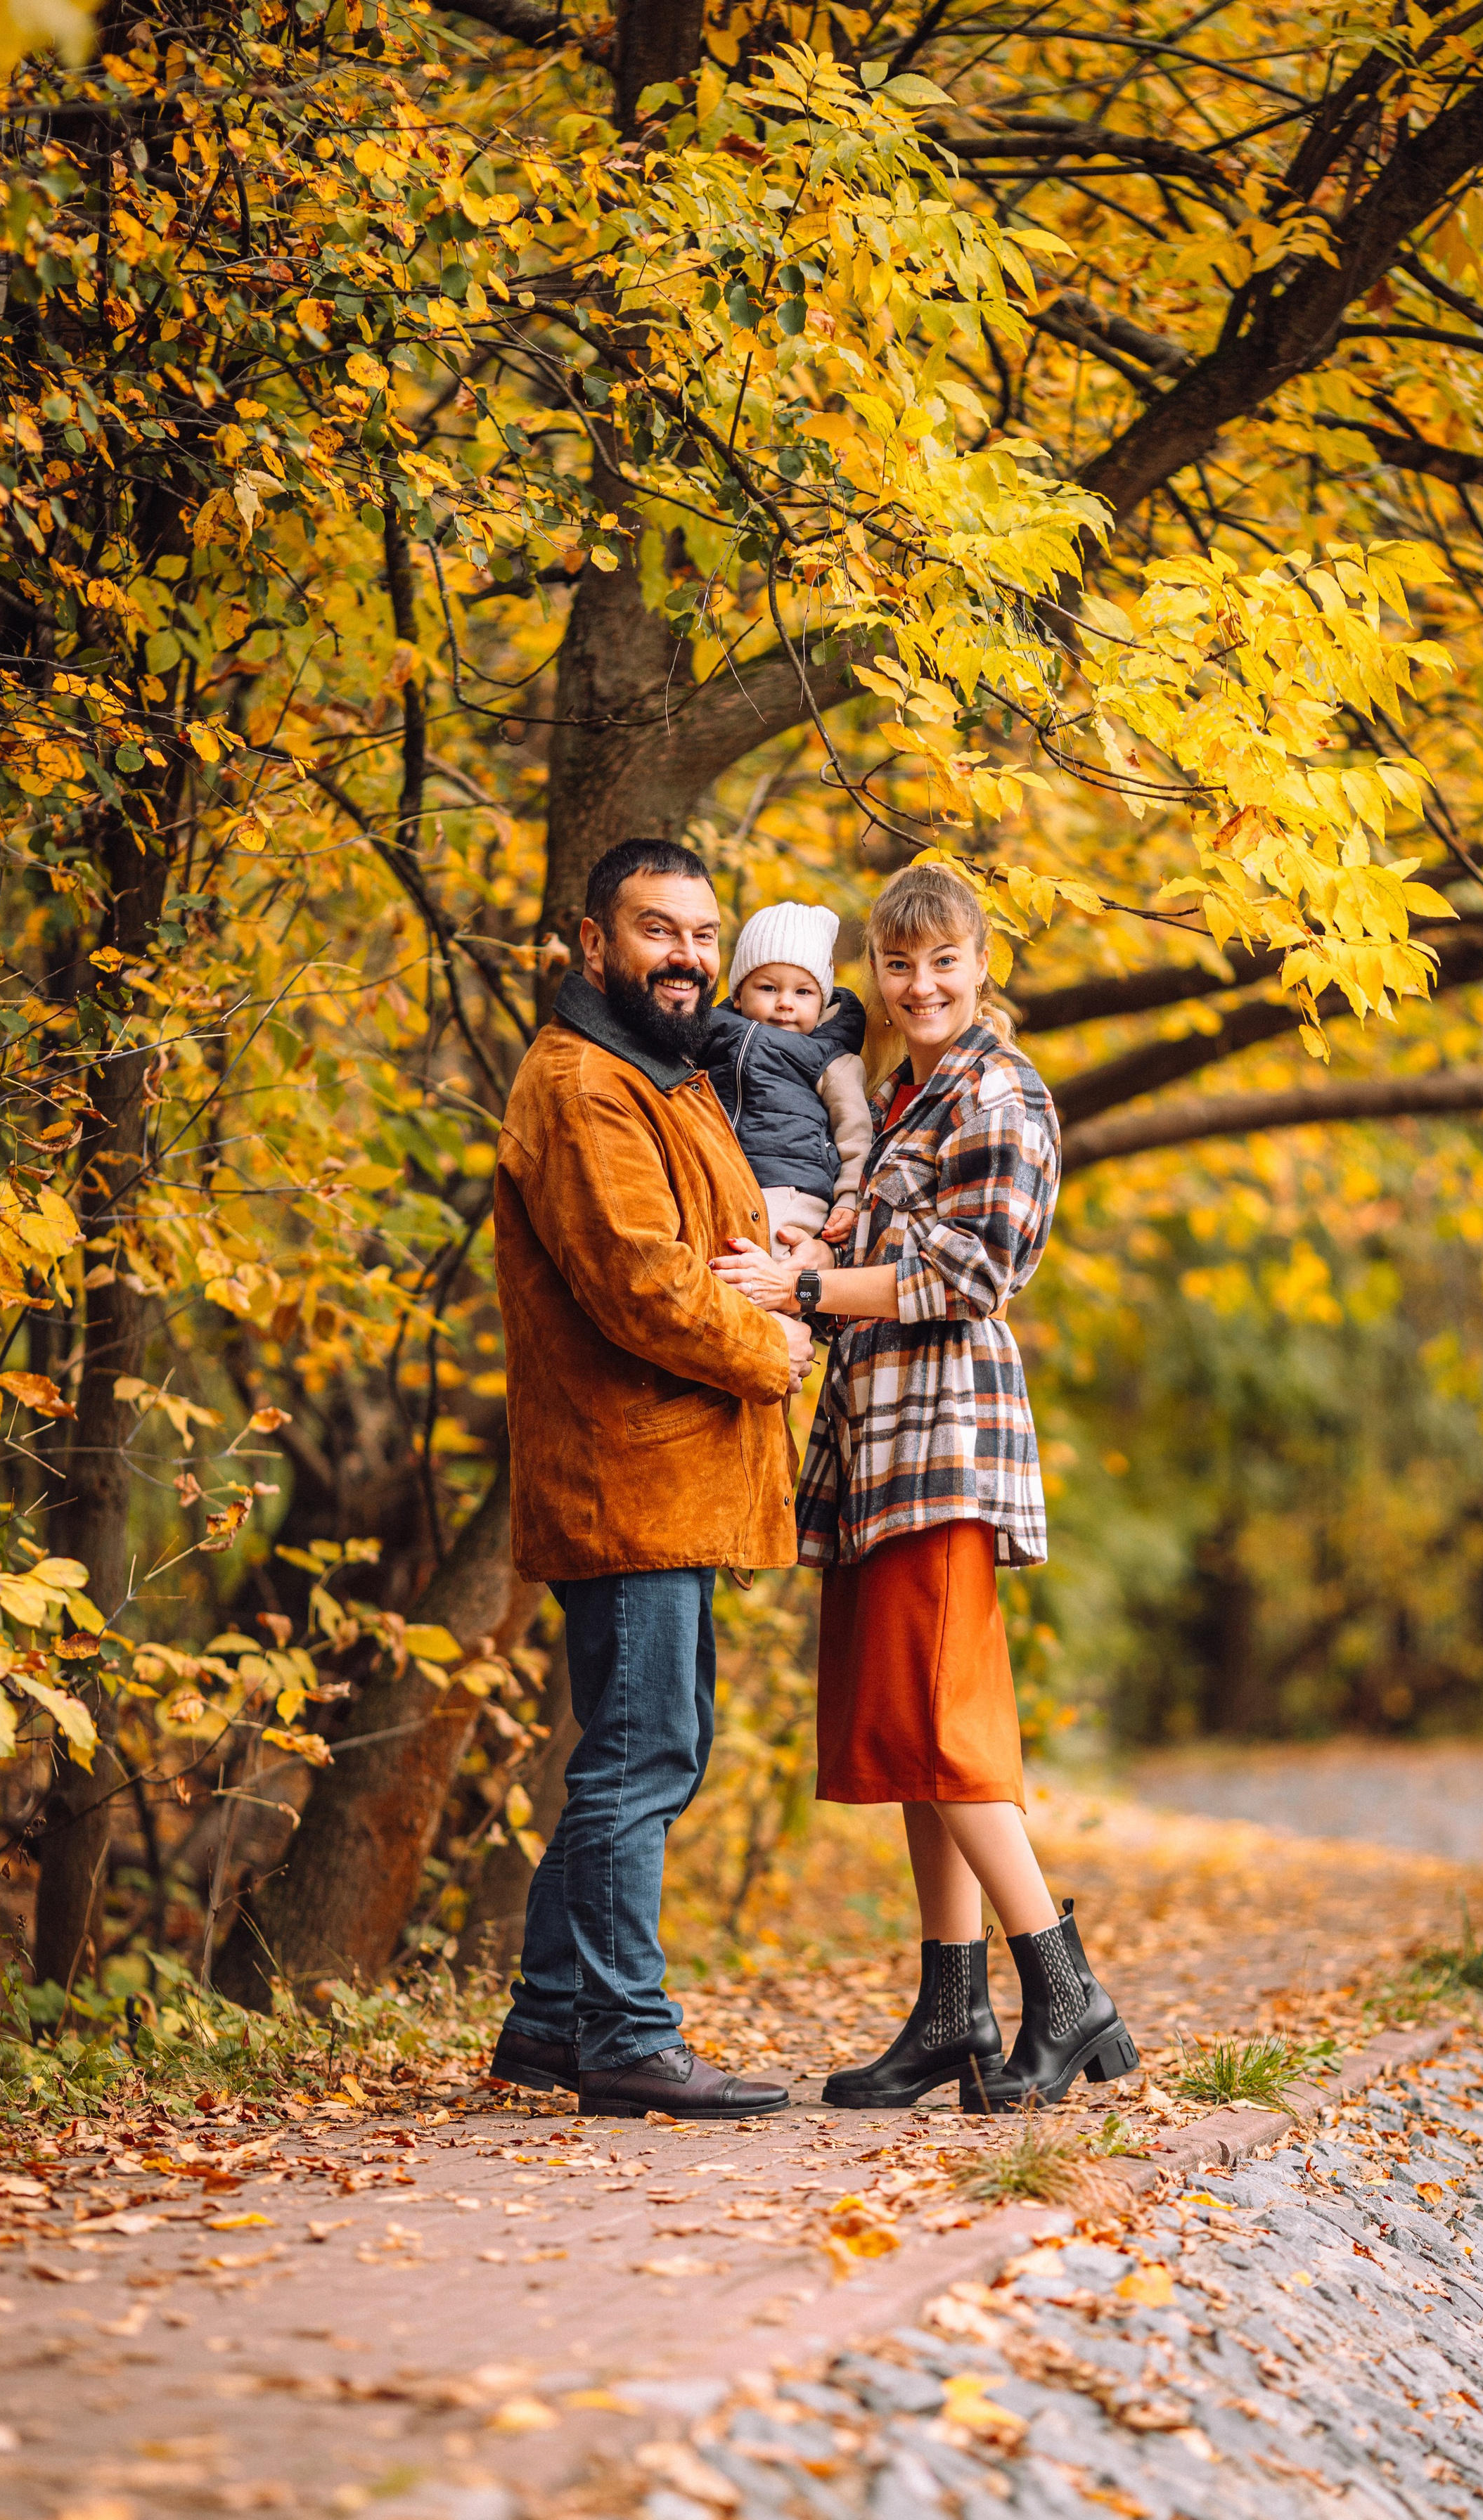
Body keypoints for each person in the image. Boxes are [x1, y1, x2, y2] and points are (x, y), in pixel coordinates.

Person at [711, 863, 1138, 2113]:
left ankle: (1065, 1992)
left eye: (943, 959)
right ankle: (954, 2009)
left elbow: (972, 1271)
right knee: (913, 1733)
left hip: (946, 1439)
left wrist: (802, 1292)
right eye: (900, 965)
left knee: (947, 1728)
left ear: (980, 962)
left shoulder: (998, 1089)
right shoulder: (897, 1094)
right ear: (880, 980)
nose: (922, 983)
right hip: (878, 1445)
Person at [485, 837, 815, 2121]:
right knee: (641, 1753)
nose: (683, 953)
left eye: (699, 931)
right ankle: (627, 2033)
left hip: (673, 1482)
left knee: (656, 1746)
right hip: (629, 1479)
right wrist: (773, 1349)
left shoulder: (661, 1074)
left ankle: (550, 2023)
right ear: (592, 940)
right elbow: (643, 1282)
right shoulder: (583, 1084)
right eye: (654, 928)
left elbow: (726, 1246)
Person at [702, 902, 872, 1258]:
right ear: (738, 994)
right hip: (714, 1176)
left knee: (759, 1263)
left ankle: (781, 1311)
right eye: (768, 988)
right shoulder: (708, 1037)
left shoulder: (830, 1058)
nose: (785, 1003)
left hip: (790, 1187)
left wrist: (847, 1198)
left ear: (822, 1001)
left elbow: (854, 1133)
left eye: (803, 992)